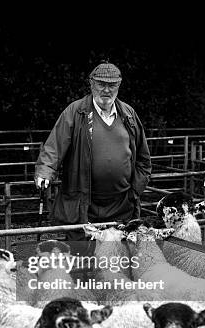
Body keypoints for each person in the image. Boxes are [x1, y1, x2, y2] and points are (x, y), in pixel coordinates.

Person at [34, 62, 151, 255]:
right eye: (101, 84)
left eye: (111, 85)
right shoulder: (76, 112)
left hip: (121, 204)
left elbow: (144, 159)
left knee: (118, 259)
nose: (106, 90)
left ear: (119, 86)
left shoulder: (129, 115)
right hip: (84, 204)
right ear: (91, 84)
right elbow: (54, 146)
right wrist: (45, 171)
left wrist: (135, 191)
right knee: (82, 259)